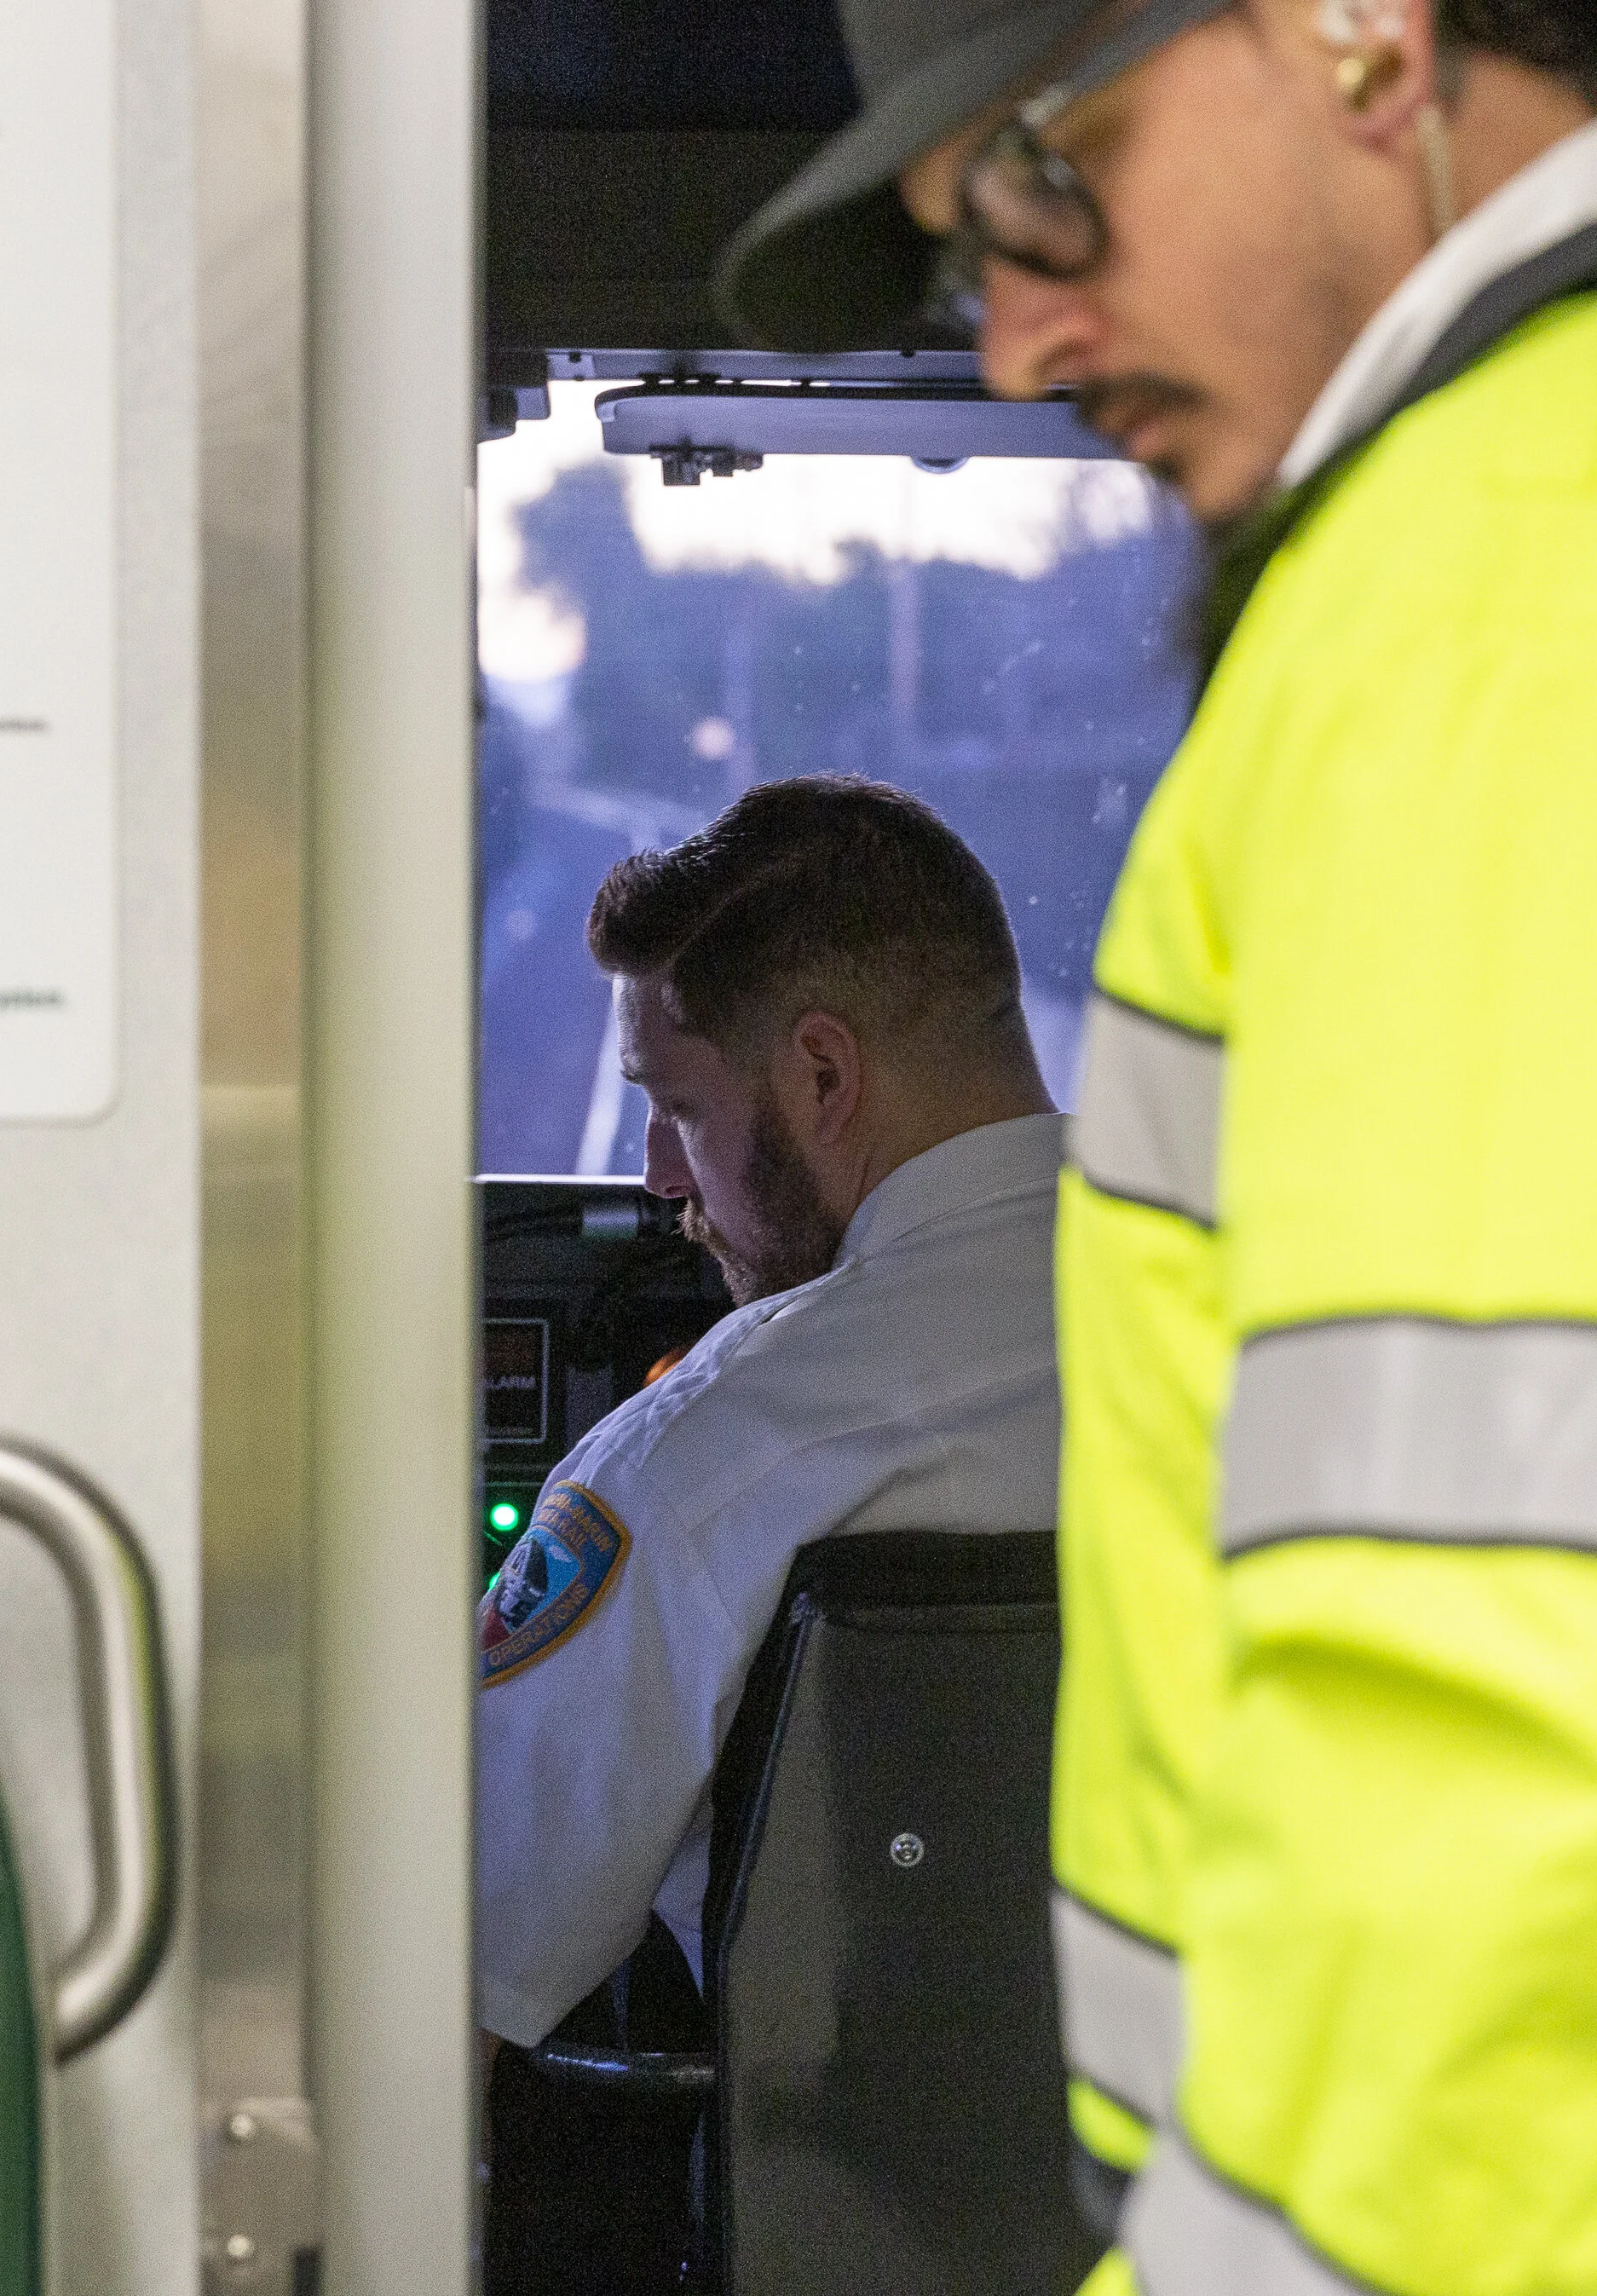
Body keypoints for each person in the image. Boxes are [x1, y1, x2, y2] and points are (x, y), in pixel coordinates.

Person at [720, 8, 1597, 2296]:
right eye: (962, 258)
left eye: (1041, 175)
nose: (1016, 340)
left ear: (1360, 38)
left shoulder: (1477, 592)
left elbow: (1486, 1674)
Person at [476, 774, 1063, 2055]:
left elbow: (440, 1955)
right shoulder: (1319, 1358)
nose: (657, 1177)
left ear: (822, 1072)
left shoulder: (706, 1462)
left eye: (678, 1105)